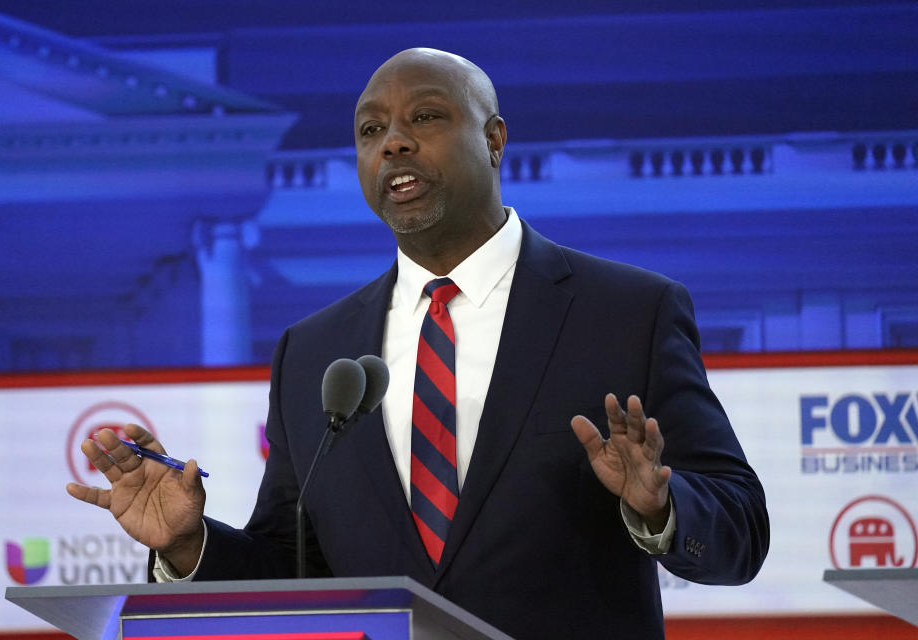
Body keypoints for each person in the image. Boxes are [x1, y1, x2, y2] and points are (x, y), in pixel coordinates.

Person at [67, 48, 769, 639]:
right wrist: (191, 546)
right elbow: (296, 568)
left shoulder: (626, 311)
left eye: (425, 118)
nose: (393, 142)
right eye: (371, 130)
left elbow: (741, 527)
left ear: (494, 139)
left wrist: (661, 508)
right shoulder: (314, 351)